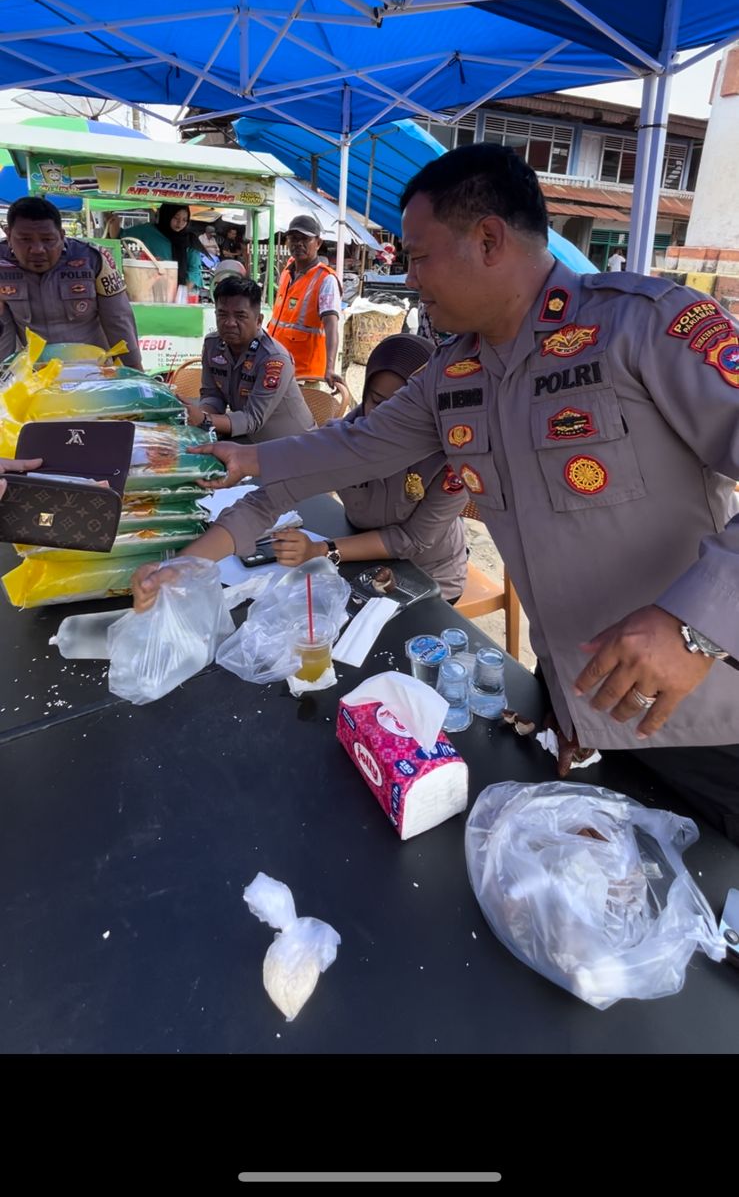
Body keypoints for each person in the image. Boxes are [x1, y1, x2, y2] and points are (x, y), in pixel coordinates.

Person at [131, 143, 739, 842]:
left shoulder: (644, 326)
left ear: (487, 240)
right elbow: (354, 446)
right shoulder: (454, 374)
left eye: (417, 257)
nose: (407, 276)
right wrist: (244, 465)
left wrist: (692, 627)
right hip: (581, 705)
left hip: (709, 712)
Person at [193, 333, 467, 599]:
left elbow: (411, 539)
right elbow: (265, 501)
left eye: (404, 408)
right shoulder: (344, 438)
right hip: (359, 559)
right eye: (378, 403)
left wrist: (322, 550)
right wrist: (178, 569)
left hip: (428, 577)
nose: (388, 421)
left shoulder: (455, 453)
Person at [0, 196, 143, 369]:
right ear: (8, 235)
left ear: (61, 235)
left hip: (94, 373)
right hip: (37, 376)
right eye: (25, 239)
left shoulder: (93, 259)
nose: (37, 249)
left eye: (47, 239)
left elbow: (118, 320)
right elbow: (3, 329)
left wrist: (136, 373)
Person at [183, 275, 315, 444]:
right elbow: (212, 395)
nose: (230, 323)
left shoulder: (273, 358)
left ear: (258, 320)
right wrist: (199, 413)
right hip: (248, 440)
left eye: (240, 316)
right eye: (222, 314)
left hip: (291, 447)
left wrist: (204, 419)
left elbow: (252, 419)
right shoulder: (213, 345)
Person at [268, 214, 341, 388]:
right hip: (276, 368)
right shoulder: (287, 272)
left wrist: (329, 368)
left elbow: (331, 326)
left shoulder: (326, 279)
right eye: (293, 238)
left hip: (304, 376)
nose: (298, 244)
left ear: (318, 243)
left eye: (305, 239)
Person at [124, 203, 203, 291]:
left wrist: (182, 294)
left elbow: (194, 271)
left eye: (184, 219)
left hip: (182, 293)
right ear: (166, 215)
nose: (180, 223)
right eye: (176, 218)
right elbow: (119, 234)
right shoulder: (149, 231)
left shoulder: (190, 240)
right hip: (151, 289)